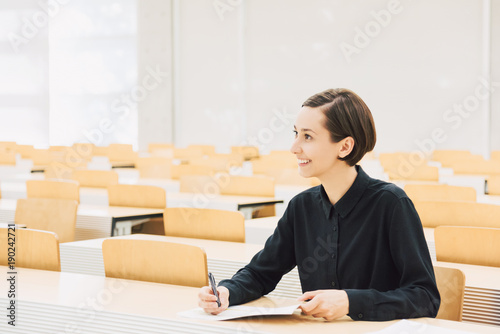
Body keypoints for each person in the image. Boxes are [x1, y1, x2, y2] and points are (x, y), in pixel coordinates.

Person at [197, 88, 440, 321]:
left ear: (344, 147)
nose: (294, 148)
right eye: (296, 134)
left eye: (308, 136)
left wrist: (349, 302)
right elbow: (261, 273)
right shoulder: (301, 207)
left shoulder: (392, 204)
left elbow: (425, 297)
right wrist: (228, 292)